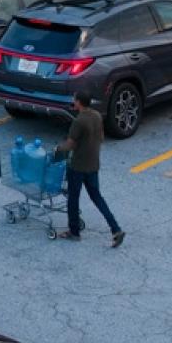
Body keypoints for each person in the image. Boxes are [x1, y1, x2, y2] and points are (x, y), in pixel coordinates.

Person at [50, 91, 123, 247]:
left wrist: (57, 149)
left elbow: (69, 145)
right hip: (93, 165)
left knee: (73, 199)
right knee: (97, 197)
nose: (73, 101)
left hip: (77, 166)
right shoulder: (96, 115)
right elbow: (101, 137)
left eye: (74, 99)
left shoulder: (79, 121)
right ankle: (115, 229)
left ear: (79, 103)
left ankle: (74, 232)